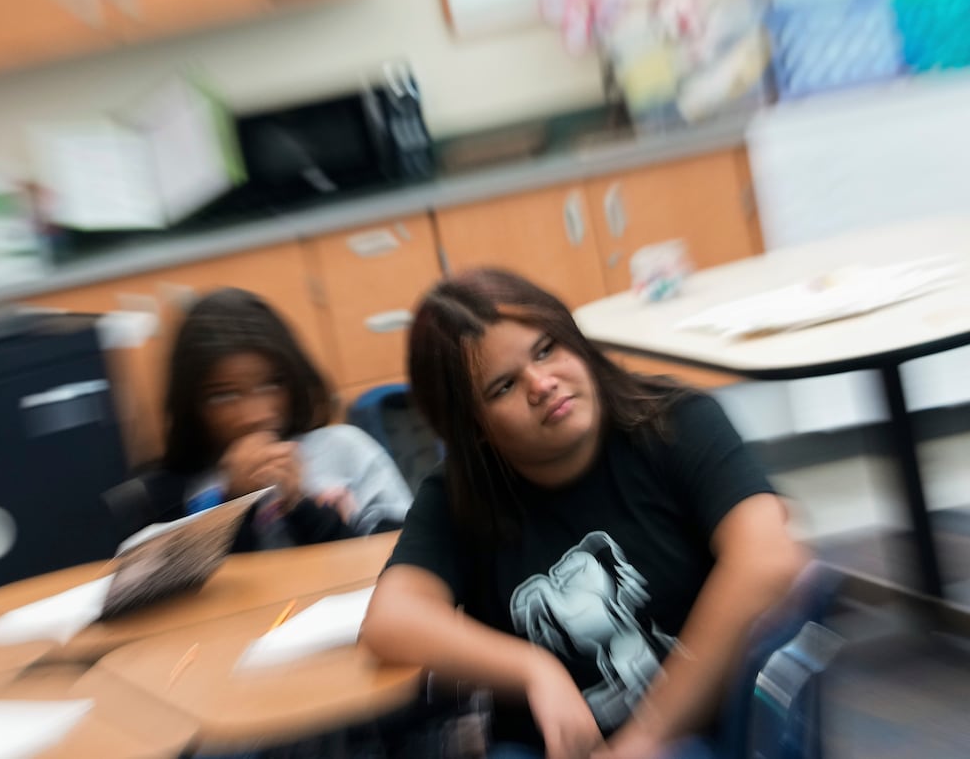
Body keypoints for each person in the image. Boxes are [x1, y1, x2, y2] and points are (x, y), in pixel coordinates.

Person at [360, 269, 807, 759]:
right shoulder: (457, 495)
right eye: (504, 385)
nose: (543, 383)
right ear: (475, 428)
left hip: (707, 733)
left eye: (547, 348)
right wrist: (535, 669)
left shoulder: (675, 421)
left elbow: (767, 559)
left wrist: (644, 740)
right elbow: (391, 620)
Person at [135, 287, 413, 551]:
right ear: (191, 403)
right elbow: (205, 595)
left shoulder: (343, 448)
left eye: (272, 384)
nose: (255, 415)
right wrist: (237, 507)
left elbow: (403, 555)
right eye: (222, 396)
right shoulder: (178, 495)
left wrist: (301, 506)